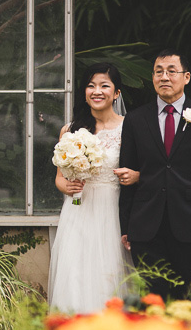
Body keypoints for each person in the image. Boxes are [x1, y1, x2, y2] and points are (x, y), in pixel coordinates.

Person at [118, 49, 191, 299]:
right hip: (146, 226)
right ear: (153, 77)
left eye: (171, 71)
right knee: (152, 298)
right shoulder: (136, 120)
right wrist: (126, 226)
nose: (164, 77)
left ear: (186, 77)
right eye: (159, 72)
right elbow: (126, 174)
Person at [48, 62, 139, 314]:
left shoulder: (130, 128)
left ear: (117, 93)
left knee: (109, 272)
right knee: (75, 272)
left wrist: (136, 175)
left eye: (104, 86)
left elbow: (146, 170)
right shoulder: (71, 130)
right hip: (78, 210)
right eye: (90, 86)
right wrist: (67, 186)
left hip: (113, 210)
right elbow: (59, 178)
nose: (96, 91)